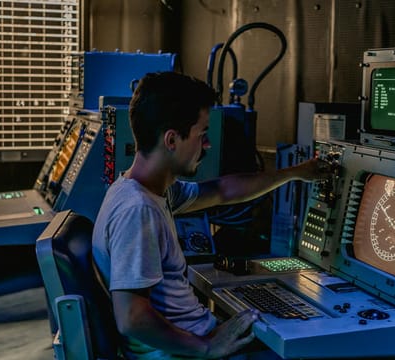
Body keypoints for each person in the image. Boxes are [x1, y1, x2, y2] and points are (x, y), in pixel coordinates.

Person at [92, 71, 329, 359]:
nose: (207, 145)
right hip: (187, 353)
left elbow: (222, 190)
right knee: (320, 341)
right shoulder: (138, 210)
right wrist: (206, 347)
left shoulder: (142, 190)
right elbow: (132, 318)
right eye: (202, 135)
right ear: (171, 140)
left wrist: (294, 173)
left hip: (196, 341)